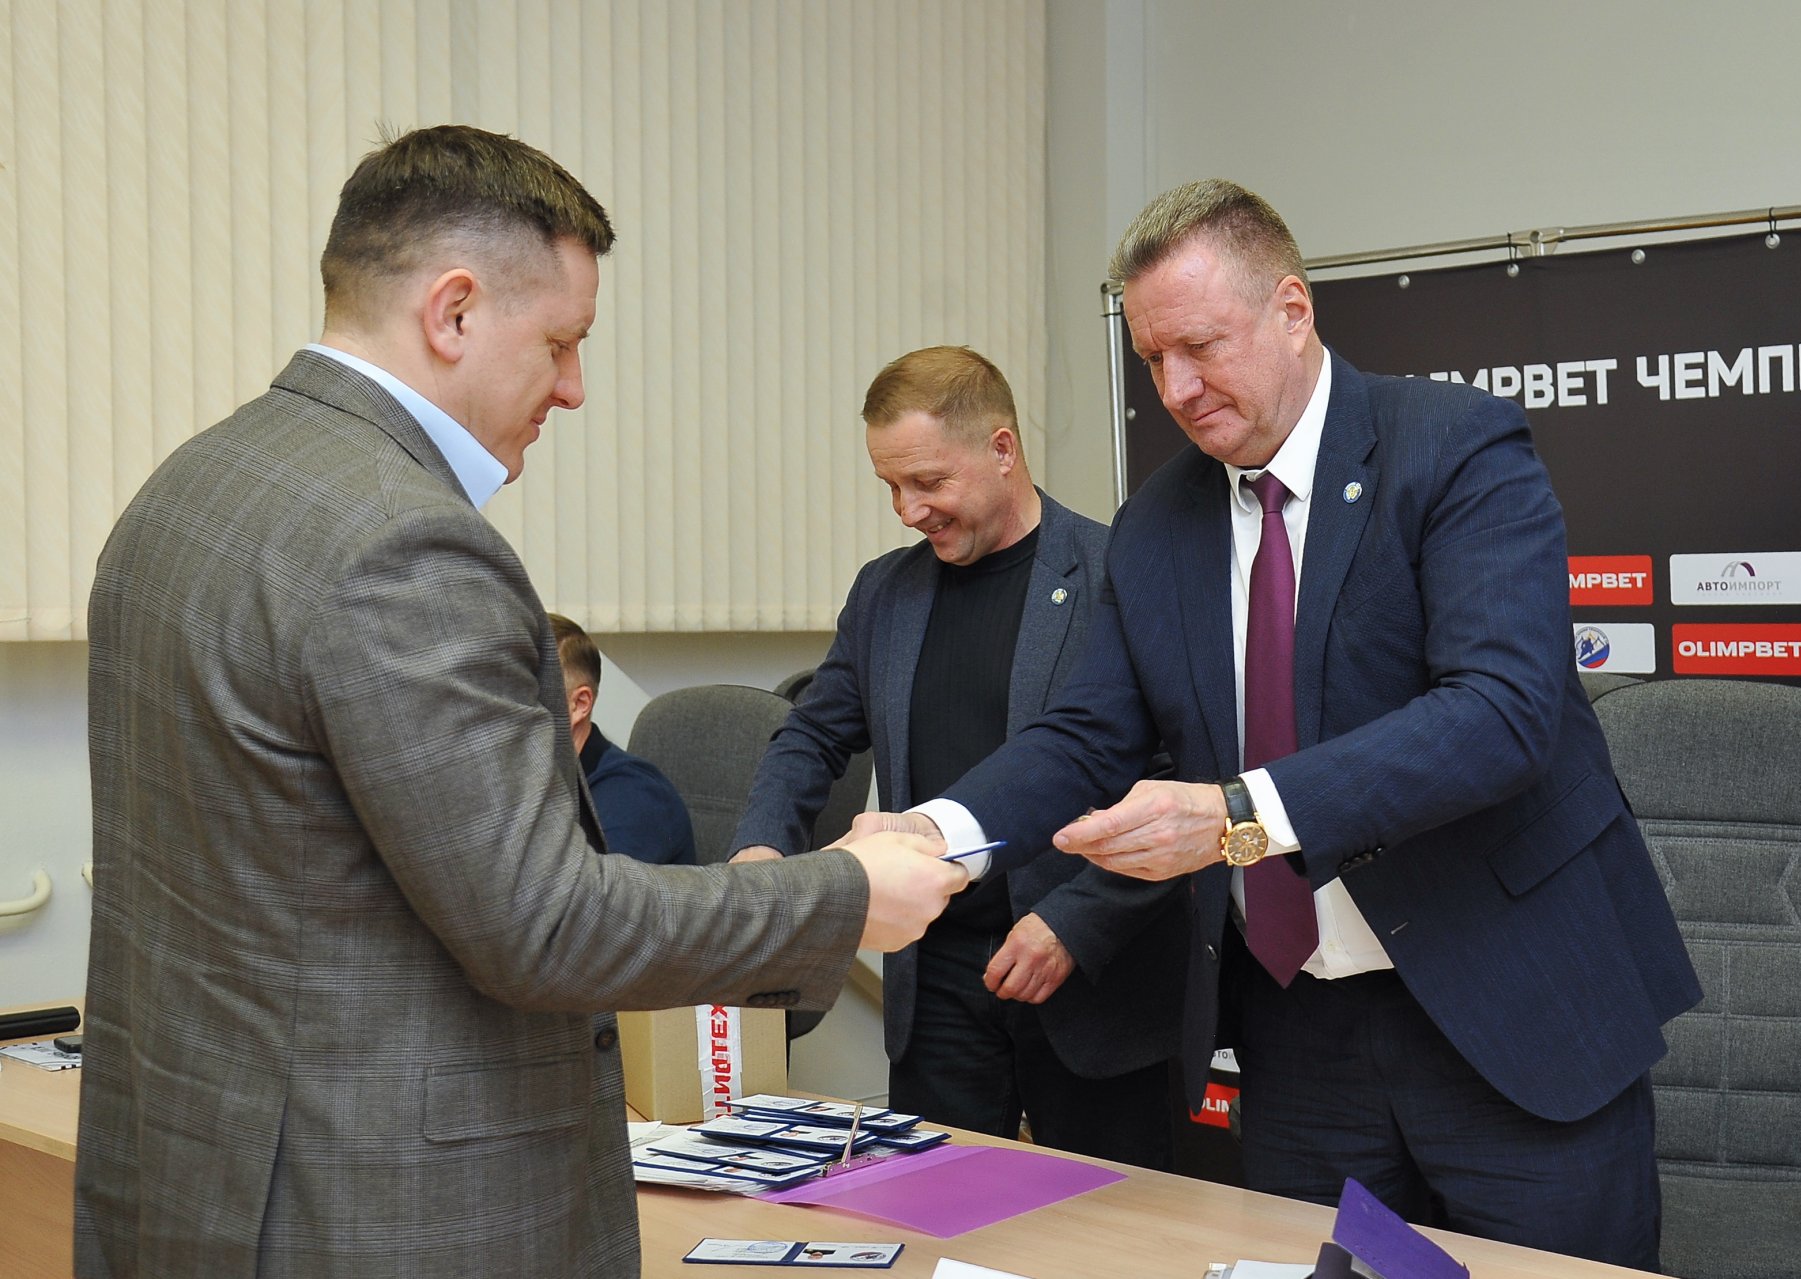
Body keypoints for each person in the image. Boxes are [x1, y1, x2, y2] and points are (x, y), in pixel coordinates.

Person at [75, 124, 965, 1279]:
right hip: (381, 1209)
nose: (574, 388)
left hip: (199, 1174)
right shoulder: (404, 543)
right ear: (453, 312)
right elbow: (545, 927)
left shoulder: (188, 487)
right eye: (560, 342)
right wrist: (843, 895)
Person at [856, 181, 1701, 1268]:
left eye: (1201, 347)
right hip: (1301, 1036)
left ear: (1292, 311)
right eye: (1152, 359)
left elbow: (1501, 713)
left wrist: (1235, 813)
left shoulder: (1450, 445)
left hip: (1509, 1003)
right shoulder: (1159, 523)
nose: (1176, 388)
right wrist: (937, 832)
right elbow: (1087, 736)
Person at [730, 346, 1184, 1167]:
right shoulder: (885, 593)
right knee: (937, 1212)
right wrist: (762, 847)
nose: (908, 509)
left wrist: (1073, 922)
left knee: (1113, 1221)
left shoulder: (1118, 571)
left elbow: (1176, 778)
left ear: (1002, 449)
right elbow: (812, 734)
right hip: (936, 979)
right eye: (890, 485)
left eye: (928, 481)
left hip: (1089, 972)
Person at [548, 611, 697, 865]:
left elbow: (583, 891)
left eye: (523, 695)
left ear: (579, 704)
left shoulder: (633, 799)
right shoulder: (532, 780)